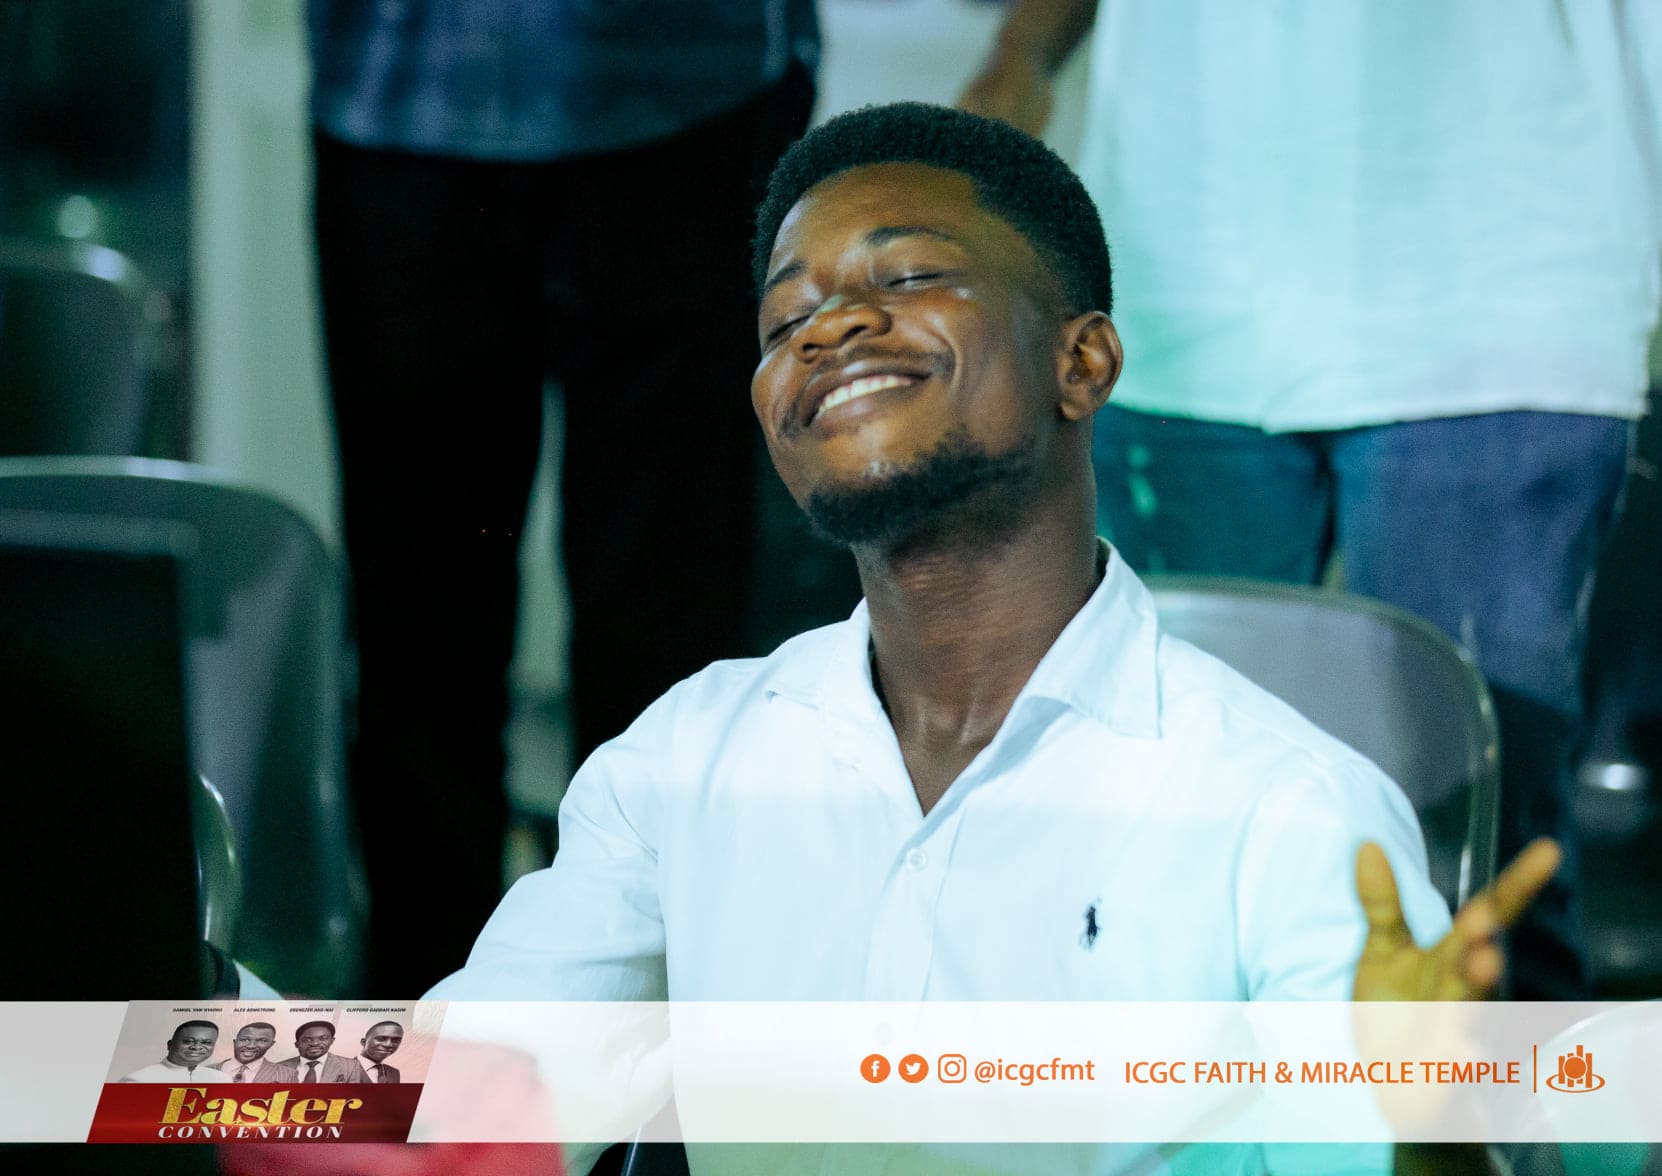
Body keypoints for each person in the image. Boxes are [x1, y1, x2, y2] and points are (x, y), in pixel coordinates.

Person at [430, 103, 1560, 1174]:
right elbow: (451, 1098)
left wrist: (1431, 1131)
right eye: (785, 322)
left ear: (1084, 363)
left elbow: (1390, 1144)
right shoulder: (684, 762)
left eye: (908, 278)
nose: (830, 328)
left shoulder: (1284, 812)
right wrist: (303, 1060)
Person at [960, 0, 1662, 1000]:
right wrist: (1019, 54)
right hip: (1181, 266)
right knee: (1170, 822)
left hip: (1508, 261)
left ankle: (1505, 1101)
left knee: (1477, 838)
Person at [307, 0, 820, 992]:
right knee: (418, 635)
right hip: (399, 101)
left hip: (692, 100)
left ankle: (650, 1035)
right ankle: (429, 1040)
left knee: (668, 650)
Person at [121, 1020, 228, 1083]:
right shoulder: (138, 1080)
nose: (196, 1047)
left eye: (206, 1042)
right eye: (188, 1041)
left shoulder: (222, 1079)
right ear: (170, 1045)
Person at [276, 1021, 364, 1084]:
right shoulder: (278, 1068)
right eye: (306, 1040)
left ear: (332, 1041)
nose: (315, 1043)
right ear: (297, 1044)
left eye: (323, 1039)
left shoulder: (351, 1065)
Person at [214, 1021, 290, 1083]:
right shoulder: (210, 1069)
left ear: (271, 1044)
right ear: (235, 1042)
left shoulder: (288, 1074)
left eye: (262, 1041)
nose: (251, 1046)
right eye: (244, 1040)